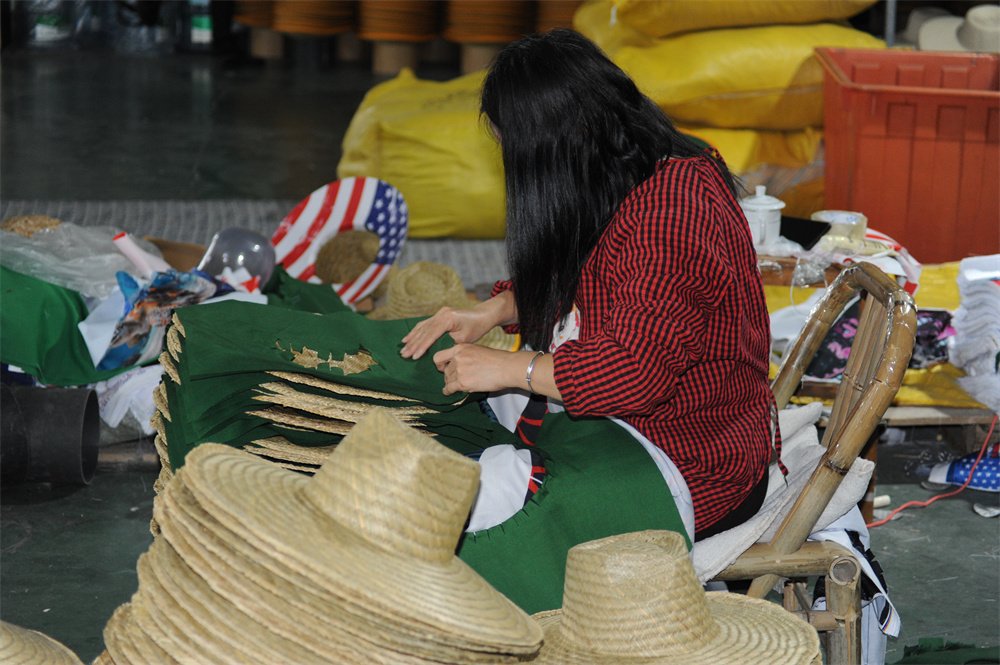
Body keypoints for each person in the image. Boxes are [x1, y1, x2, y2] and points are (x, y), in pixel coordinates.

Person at [400, 28, 776, 542]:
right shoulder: (633, 169)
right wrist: (497, 309)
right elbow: (597, 277)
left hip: (690, 469)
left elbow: (631, 375)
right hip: (643, 433)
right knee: (445, 442)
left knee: (451, 509)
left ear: (553, 147)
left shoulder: (671, 214)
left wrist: (512, 366)